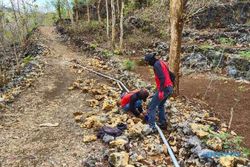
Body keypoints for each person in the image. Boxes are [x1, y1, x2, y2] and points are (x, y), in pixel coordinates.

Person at [144, 53, 173, 131]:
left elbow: (162, 78)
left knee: (151, 107)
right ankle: (162, 123)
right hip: (169, 87)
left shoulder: (156, 65)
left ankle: (151, 126)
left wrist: (160, 91)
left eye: (147, 62)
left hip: (164, 88)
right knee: (160, 105)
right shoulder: (161, 62)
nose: (148, 64)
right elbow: (171, 75)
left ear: (150, 60)